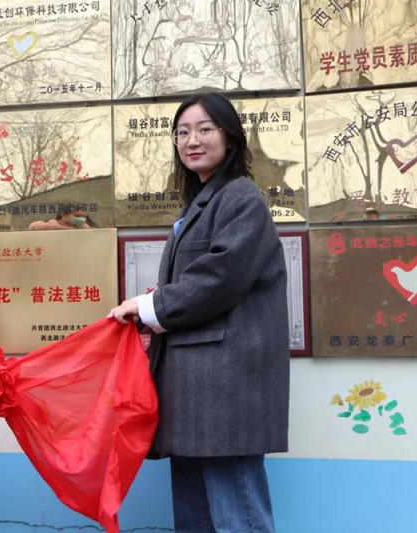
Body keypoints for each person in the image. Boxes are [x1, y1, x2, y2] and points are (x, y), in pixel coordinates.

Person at [107, 93, 289, 533]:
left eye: (205, 129)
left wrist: (149, 306)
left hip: (225, 390)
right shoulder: (202, 203)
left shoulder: (241, 197)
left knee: (238, 516)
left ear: (230, 137)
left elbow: (219, 277)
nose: (192, 140)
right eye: (183, 132)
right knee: (196, 518)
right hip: (196, 391)